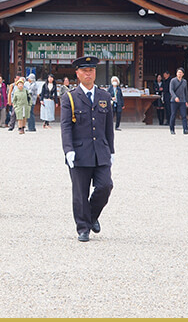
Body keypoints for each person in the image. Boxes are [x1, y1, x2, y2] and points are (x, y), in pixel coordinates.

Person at [60, 56, 114, 243]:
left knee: (105, 186)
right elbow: (66, 126)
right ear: (77, 73)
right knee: (80, 193)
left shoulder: (105, 97)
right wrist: (68, 150)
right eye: (84, 71)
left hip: (101, 151)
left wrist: (111, 151)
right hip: (79, 151)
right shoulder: (70, 97)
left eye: (91, 70)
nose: (88, 74)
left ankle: (91, 216)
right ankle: (83, 228)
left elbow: (109, 127)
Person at [169, 67, 188, 135]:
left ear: (183, 74)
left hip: (182, 100)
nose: (179, 74)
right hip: (174, 101)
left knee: (184, 115)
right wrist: (175, 97)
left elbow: (186, 91)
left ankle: (185, 129)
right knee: (173, 115)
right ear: (176, 73)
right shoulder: (173, 80)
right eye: (178, 72)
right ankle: (172, 129)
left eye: (181, 72)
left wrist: (186, 100)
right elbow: (171, 90)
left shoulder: (184, 81)